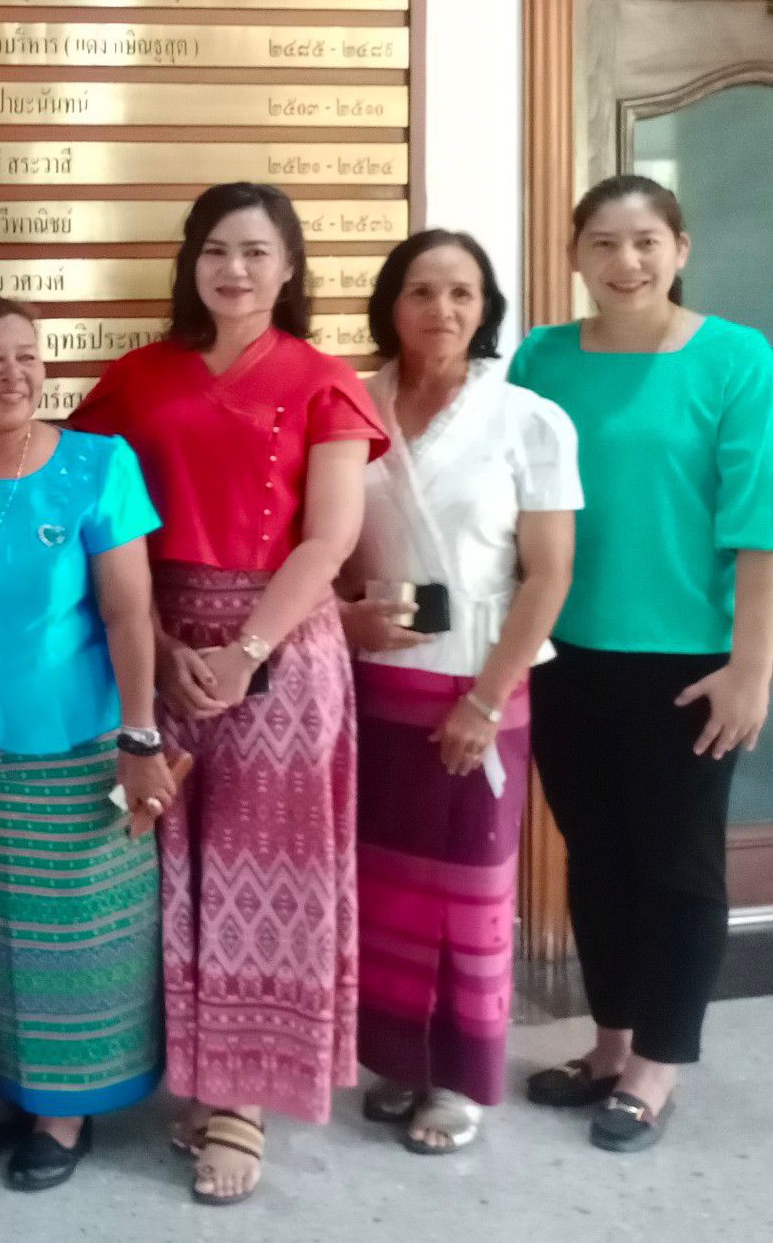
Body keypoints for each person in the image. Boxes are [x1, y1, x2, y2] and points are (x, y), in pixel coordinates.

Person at [68, 181, 386, 1205]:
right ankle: (159, 1067)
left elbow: (329, 540)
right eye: (215, 250)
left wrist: (246, 651)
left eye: (255, 251)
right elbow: (98, 518)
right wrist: (159, 645)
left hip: (282, 653)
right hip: (149, 643)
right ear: (189, 264)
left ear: (289, 266)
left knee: (260, 875)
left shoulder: (326, 382)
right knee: (152, 859)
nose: (234, 269)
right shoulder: (135, 381)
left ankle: (240, 1101)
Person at [511, 175, 773, 1152]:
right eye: (605, 245)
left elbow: (759, 523)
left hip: (689, 664)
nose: (627, 263)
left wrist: (754, 664)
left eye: (646, 242)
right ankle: (610, 1043)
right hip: (565, 654)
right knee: (598, 858)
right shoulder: (543, 356)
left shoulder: (736, 359)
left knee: (677, 866)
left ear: (681, 247)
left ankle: (659, 1065)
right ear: (576, 255)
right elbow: (507, 500)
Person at [0, 294, 170, 1194]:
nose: (15, 373)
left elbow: (130, 610)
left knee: (73, 929)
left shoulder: (97, 463)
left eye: (29, 354)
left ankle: (66, 1108)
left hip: (77, 736)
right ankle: (0, 1090)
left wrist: (141, 735)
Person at [340, 231, 579, 1154]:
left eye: (462, 294)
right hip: (369, 680)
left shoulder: (529, 418)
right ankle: (400, 1057)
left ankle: (459, 1079)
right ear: (389, 304)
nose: (441, 310)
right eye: (421, 291)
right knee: (384, 882)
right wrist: (341, 615)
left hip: (480, 677)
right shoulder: (351, 404)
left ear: (486, 309)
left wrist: (486, 699)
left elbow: (549, 574)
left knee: (468, 887)